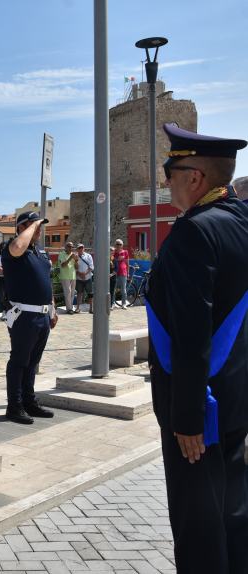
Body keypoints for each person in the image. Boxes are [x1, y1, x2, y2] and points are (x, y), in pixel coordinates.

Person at [145, 123, 248, 573]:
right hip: (236, 401)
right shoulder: (240, 223)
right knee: (233, 517)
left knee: (198, 527)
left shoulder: (193, 233)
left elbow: (191, 334)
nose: (166, 179)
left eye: (171, 169)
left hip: (199, 417)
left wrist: (186, 417)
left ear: (195, 177)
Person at [1, 211, 58, 424]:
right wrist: (31, 226)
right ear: (22, 227)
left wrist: (52, 308)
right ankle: (14, 406)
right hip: (23, 315)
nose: (39, 229)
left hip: (42, 315)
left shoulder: (39, 253)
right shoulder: (13, 249)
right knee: (19, 361)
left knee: (33, 362)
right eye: (35, 225)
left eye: (39, 226)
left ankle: (28, 401)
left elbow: (46, 281)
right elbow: (17, 248)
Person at [56, 241, 77, 314]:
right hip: (65, 276)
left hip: (73, 276)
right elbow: (63, 265)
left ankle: (70, 307)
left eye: (72, 247)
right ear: (66, 247)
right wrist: (70, 258)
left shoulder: (73, 255)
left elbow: (76, 267)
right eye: (69, 246)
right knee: (68, 292)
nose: (71, 248)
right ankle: (69, 309)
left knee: (72, 293)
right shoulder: (62, 254)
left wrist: (76, 261)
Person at [74, 244, 94, 314]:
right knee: (79, 293)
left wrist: (84, 273)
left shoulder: (88, 256)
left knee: (90, 294)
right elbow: (74, 267)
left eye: (82, 248)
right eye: (79, 248)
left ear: (84, 248)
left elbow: (91, 267)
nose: (81, 249)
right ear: (77, 249)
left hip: (88, 277)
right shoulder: (75, 256)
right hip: (79, 278)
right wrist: (80, 274)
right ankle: (78, 308)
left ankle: (91, 308)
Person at [112, 239, 129, 308]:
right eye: (117, 244)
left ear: (122, 245)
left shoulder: (125, 252)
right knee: (113, 289)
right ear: (115, 245)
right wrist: (117, 259)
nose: (118, 246)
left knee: (123, 289)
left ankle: (124, 304)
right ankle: (112, 303)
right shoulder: (113, 252)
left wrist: (128, 273)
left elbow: (127, 263)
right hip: (114, 273)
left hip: (123, 272)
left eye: (120, 244)